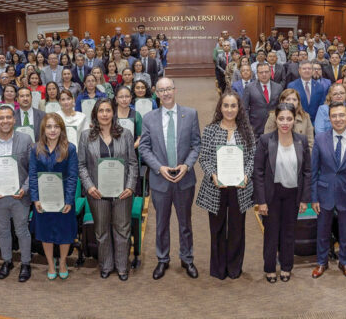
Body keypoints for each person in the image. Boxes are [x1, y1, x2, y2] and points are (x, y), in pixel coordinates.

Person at [139, 77, 201, 280]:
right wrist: (158, 168)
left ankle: (187, 258)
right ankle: (162, 259)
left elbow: (196, 145)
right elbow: (145, 148)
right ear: (156, 93)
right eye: (161, 90)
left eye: (169, 89)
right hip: (160, 179)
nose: (165, 93)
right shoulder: (148, 118)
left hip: (184, 178)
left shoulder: (190, 114)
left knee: (185, 223)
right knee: (161, 224)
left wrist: (187, 165)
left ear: (175, 90)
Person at [196, 90, 255, 280]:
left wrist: (247, 174)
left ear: (239, 108)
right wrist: (213, 174)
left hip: (240, 188)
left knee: (237, 229)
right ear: (220, 108)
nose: (229, 110)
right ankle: (219, 268)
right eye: (226, 105)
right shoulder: (210, 130)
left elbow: (253, 157)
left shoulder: (246, 130)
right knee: (218, 228)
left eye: (233, 106)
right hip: (216, 187)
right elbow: (204, 157)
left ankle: (234, 268)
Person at [78, 98, 138, 280]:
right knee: (102, 231)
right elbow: (81, 165)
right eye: (101, 111)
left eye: (108, 110)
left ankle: (121, 267)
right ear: (95, 114)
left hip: (122, 193)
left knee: (122, 229)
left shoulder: (126, 134)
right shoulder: (86, 136)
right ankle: (106, 265)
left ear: (113, 113)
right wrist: (89, 187)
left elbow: (133, 164)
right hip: (98, 193)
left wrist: (130, 187)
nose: (104, 114)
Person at [254, 103, 311, 283]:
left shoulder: (301, 141)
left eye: (289, 119)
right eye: (281, 119)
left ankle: (287, 267)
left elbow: (307, 172)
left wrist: (304, 199)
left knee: (289, 233)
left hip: (293, 194)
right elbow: (259, 172)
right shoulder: (265, 140)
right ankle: (270, 268)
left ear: (294, 120)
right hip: (272, 194)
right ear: (276, 119)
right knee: (271, 233)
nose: (285, 122)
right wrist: (261, 200)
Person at [311, 102, 346, 280]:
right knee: (322, 231)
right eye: (334, 116)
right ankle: (321, 262)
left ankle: (344, 262)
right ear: (329, 118)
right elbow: (314, 171)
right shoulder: (320, 138)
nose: (338, 119)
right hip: (324, 193)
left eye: (341, 115)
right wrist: (314, 197)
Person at [29, 113, 78, 280]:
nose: (52, 130)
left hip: (63, 197)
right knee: (45, 232)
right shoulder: (35, 148)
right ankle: (50, 263)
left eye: (56, 126)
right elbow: (33, 175)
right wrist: (35, 199)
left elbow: (72, 176)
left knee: (65, 232)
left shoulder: (70, 148)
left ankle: (63, 262)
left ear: (61, 129)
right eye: (49, 126)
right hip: (43, 198)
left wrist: (69, 200)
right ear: (43, 129)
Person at [0, 105, 33, 282]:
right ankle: (7, 261)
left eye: (8, 117)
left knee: (21, 230)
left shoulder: (26, 139)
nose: (4, 121)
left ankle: (26, 263)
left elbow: (32, 169)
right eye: (1, 118)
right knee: (2, 230)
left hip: (20, 195)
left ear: (14, 119)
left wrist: (25, 188)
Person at [243, 63, 283, 140]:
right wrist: (248, 125)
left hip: (274, 127)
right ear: (257, 74)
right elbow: (245, 108)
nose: (264, 74)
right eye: (261, 72)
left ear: (270, 72)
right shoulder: (249, 87)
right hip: (256, 128)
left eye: (266, 72)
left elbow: (281, 107)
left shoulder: (278, 87)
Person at [288, 61, 325, 125]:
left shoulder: (320, 86)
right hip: (297, 122)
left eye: (309, 68)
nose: (307, 70)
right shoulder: (292, 86)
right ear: (299, 70)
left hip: (315, 122)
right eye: (304, 69)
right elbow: (290, 106)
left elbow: (322, 106)